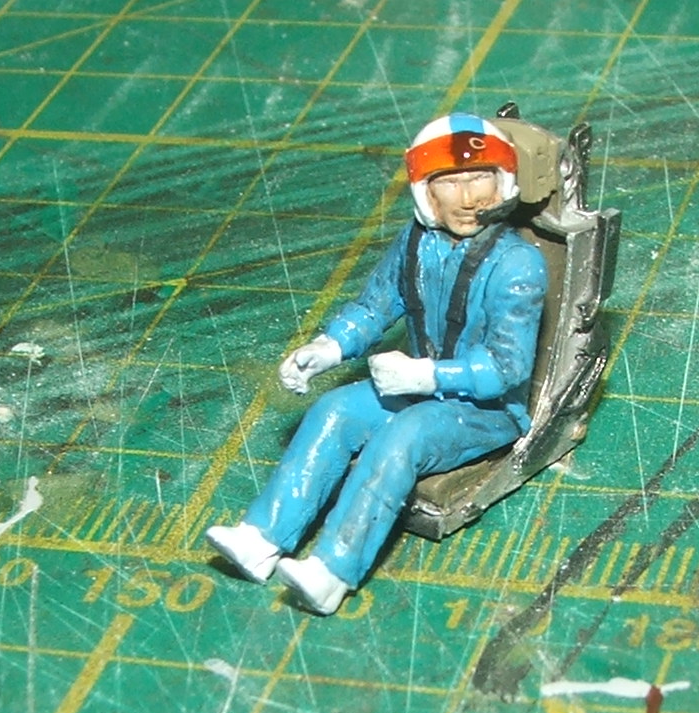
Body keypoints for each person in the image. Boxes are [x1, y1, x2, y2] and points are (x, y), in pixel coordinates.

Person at [206, 114, 548, 613]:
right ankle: (263, 538)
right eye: (450, 182)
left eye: (480, 178)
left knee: (403, 437)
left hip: (486, 409)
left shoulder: (518, 264)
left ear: (504, 184)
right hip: (417, 386)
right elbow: (375, 306)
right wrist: (328, 348)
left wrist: (427, 375)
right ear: (426, 192)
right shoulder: (415, 242)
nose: (468, 197)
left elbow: (507, 367)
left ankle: (332, 571)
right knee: (334, 410)